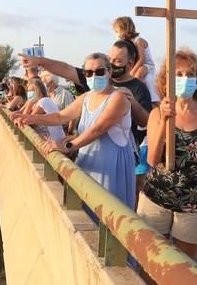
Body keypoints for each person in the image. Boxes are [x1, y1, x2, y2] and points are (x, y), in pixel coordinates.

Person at [13, 52, 136, 209]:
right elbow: (60, 116)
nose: (94, 76)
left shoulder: (118, 97)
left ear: (109, 71)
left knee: (108, 213)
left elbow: (98, 129)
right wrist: (30, 118)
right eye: (88, 72)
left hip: (111, 166)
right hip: (88, 161)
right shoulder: (86, 97)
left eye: (99, 71)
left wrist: (69, 146)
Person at [138, 48, 197, 259]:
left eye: (190, 74)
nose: (184, 79)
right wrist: (164, 120)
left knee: (182, 269)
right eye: (178, 74)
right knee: (150, 264)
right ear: (166, 79)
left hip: (194, 204)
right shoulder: (156, 114)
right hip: (156, 199)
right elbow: (152, 159)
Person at [18, 40, 152, 147]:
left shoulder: (138, 88)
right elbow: (65, 69)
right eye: (110, 59)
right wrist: (39, 61)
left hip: (118, 150)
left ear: (129, 64)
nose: (112, 64)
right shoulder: (94, 83)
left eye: (117, 61)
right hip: (87, 148)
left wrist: (132, 103)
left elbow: (145, 121)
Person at [113, 16, 160, 104]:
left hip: (147, 65)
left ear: (124, 29)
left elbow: (142, 59)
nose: (117, 34)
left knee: (137, 75)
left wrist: (132, 71)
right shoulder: (127, 44)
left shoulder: (138, 40)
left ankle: (143, 95)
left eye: (117, 31)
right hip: (138, 65)